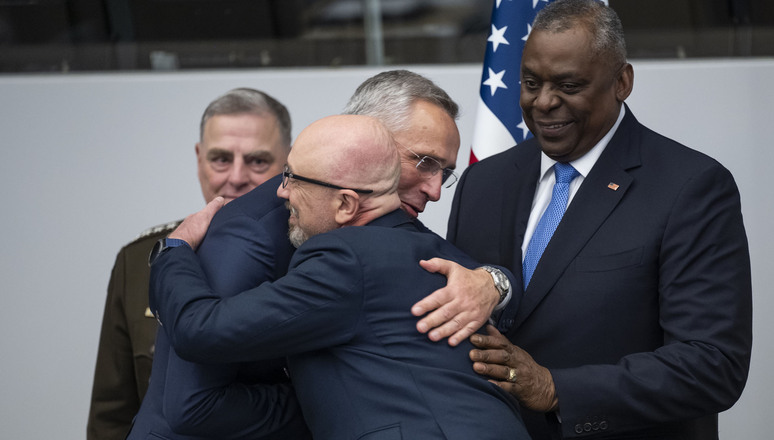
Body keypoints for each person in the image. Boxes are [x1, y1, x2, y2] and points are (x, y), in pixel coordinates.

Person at [139, 69, 512, 439]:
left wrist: (493, 282)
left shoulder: (392, 233)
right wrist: (172, 250)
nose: (436, 191)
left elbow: (479, 270)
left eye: (443, 172)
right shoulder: (256, 228)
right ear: (368, 141)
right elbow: (194, 401)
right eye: (425, 161)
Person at [445, 1, 753, 439]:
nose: (544, 102)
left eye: (568, 85)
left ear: (622, 82)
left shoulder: (691, 187)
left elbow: (711, 365)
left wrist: (556, 389)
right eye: (531, 83)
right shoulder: (483, 183)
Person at [87, 87, 292, 440]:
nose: (237, 177)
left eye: (258, 161)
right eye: (221, 159)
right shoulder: (140, 261)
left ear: (290, 162)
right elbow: (113, 413)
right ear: (199, 159)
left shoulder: (311, 259)